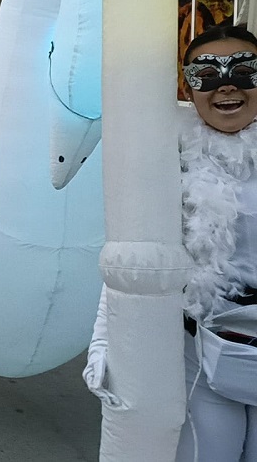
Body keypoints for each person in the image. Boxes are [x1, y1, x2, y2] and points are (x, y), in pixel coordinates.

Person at [83, 25, 257, 461]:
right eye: (207, 75)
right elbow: (136, 259)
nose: (227, 85)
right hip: (202, 351)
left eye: (243, 70)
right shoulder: (167, 157)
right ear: (188, 87)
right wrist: (105, 343)